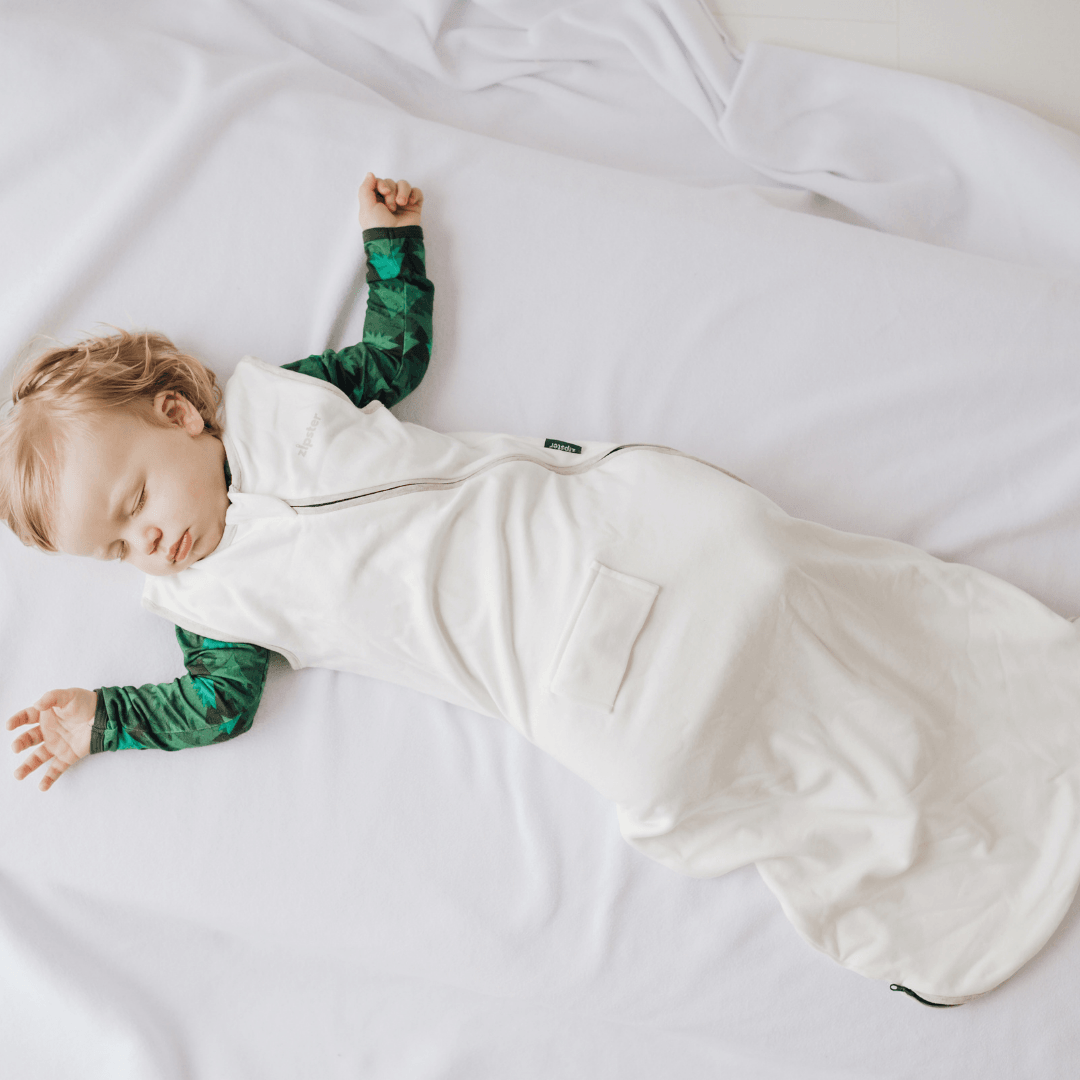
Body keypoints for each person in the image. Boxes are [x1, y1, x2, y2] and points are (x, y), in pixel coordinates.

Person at [5, 174, 1080, 1006]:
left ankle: (995, 708)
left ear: (179, 415)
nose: (150, 541)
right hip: (536, 661)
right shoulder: (209, 610)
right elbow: (217, 705)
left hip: (573, 535)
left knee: (748, 559)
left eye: (136, 500)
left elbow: (392, 359)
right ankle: (926, 881)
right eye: (118, 549)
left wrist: (392, 249)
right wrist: (108, 718)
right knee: (664, 752)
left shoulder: (282, 400)